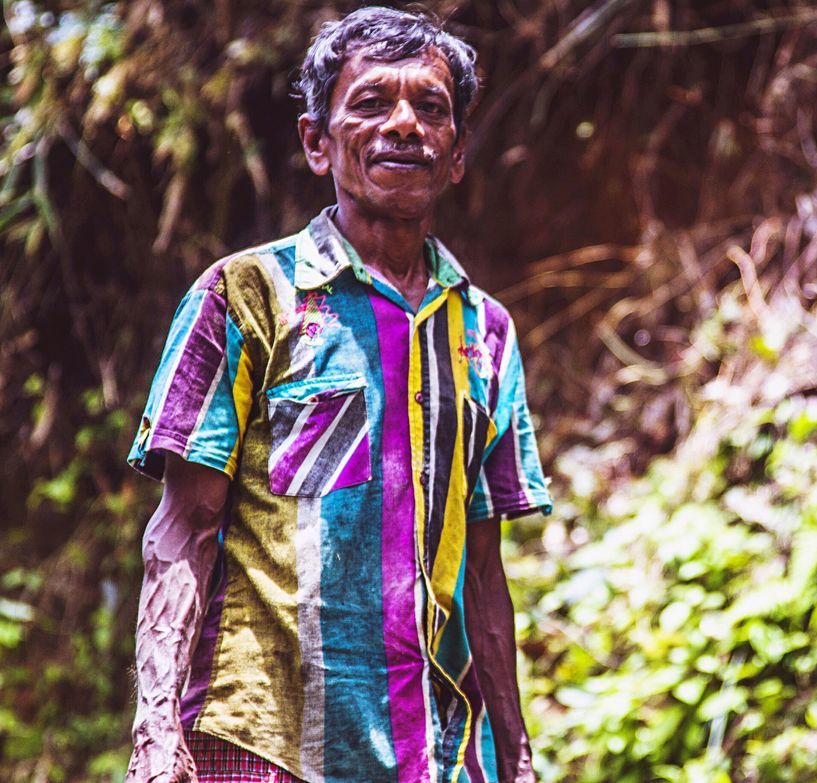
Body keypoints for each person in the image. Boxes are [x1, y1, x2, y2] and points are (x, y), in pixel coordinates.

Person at [124, 8, 552, 783]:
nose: (404, 125)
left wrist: (516, 757)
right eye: (370, 103)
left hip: (438, 756)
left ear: (457, 153)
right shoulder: (245, 296)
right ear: (317, 143)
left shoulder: (485, 331)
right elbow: (182, 527)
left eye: (431, 107)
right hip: (262, 747)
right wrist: (155, 732)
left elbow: (484, 571)